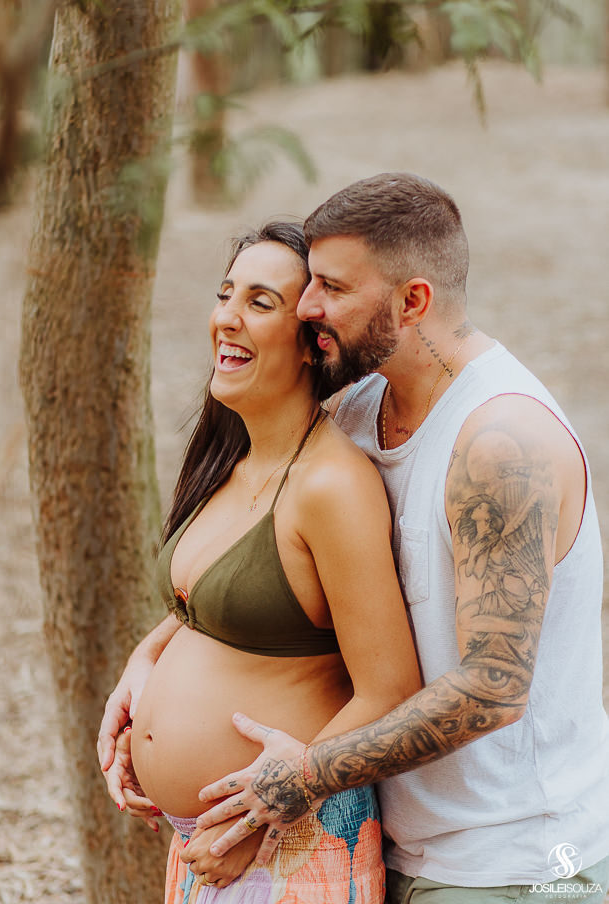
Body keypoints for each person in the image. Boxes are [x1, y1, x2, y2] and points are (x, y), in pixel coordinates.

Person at [192, 174, 609, 903]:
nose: (307, 307)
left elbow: (492, 688)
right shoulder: (359, 406)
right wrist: (151, 659)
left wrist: (305, 776)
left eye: (332, 288)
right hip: (394, 842)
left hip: (512, 864)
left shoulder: (500, 443)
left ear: (413, 301)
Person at [97, 221, 421, 902]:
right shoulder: (232, 457)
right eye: (225, 294)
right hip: (210, 841)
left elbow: (388, 686)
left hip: (285, 841)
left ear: (312, 343)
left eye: (260, 302)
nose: (227, 318)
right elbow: (212, 602)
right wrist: (144, 662)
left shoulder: (329, 486)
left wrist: (266, 811)